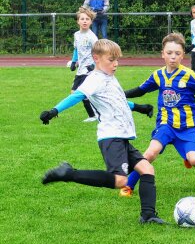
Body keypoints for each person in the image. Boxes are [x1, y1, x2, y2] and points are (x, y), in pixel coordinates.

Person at [39, 39, 165, 224]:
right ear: (96, 58)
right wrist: (54, 111)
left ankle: (148, 215)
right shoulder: (95, 79)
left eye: (117, 60)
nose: (115, 64)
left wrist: (139, 107)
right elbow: (77, 96)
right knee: (121, 181)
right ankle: (68, 174)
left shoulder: (109, 77)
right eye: (111, 60)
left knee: (147, 169)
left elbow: (117, 101)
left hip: (121, 137)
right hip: (111, 137)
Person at [119, 32, 195, 197]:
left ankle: (187, 155)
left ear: (183, 56)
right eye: (169, 53)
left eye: (177, 53)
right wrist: (120, 94)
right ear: (162, 54)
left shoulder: (190, 75)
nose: (173, 57)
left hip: (188, 127)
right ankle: (128, 186)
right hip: (165, 124)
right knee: (151, 153)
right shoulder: (158, 75)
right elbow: (140, 90)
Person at [69, 6, 98, 122]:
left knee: (78, 92)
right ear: (78, 21)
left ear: (91, 22)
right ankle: (93, 114)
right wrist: (73, 61)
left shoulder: (92, 37)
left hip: (89, 70)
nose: (84, 21)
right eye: (82, 19)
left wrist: (94, 65)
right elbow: (76, 49)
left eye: (87, 19)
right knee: (76, 92)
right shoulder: (76, 35)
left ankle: (93, 115)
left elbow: (98, 52)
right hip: (80, 69)